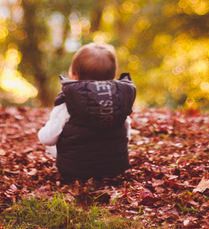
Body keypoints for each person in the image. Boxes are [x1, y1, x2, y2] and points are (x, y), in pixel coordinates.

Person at [37, 42, 136, 181]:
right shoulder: (120, 99)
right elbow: (126, 132)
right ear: (112, 77)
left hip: (74, 170)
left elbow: (48, 139)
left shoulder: (67, 102)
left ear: (73, 75)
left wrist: (40, 133)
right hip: (115, 169)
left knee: (53, 140)